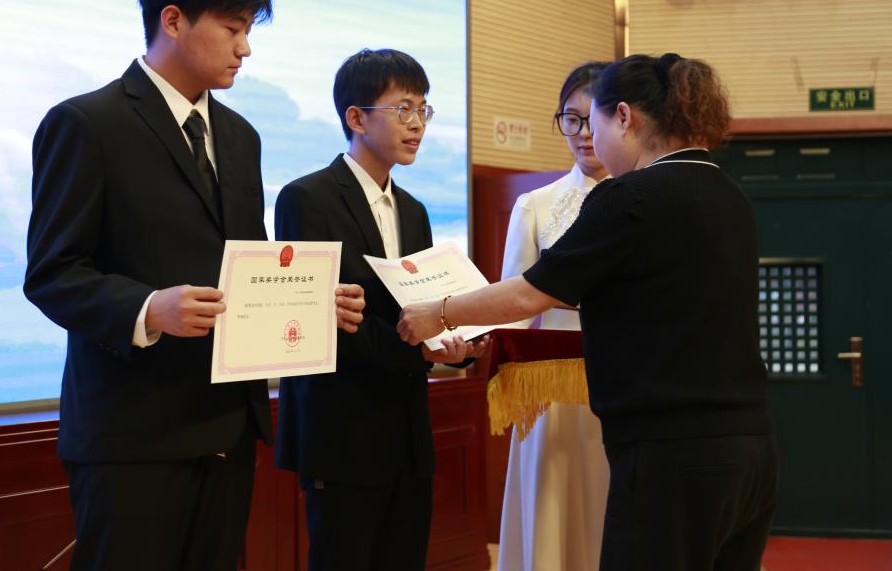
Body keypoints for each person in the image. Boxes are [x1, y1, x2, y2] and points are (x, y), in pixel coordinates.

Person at [24, 0, 364, 571]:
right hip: (131, 434)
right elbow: (53, 274)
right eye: (232, 28)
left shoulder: (240, 136)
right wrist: (149, 308)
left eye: (248, 30)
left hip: (227, 424)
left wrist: (313, 303)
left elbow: (246, 265)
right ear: (173, 20)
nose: (245, 47)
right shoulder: (89, 123)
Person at [398, 53, 778, 571]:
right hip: (751, 446)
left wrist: (438, 312)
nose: (589, 140)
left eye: (592, 124)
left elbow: (528, 295)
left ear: (623, 116)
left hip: (670, 451)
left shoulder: (630, 196)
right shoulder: (728, 193)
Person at [273, 48, 485, 571]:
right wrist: (422, 352)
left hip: (407, 435)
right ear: (356, 117)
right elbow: (325, 320)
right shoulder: (307, 198)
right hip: (341, 431)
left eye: (423, 109)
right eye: (403, 108)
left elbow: (422, 307)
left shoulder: (414, 210)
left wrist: (455, 345)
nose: (417, 124)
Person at [497, 61, 611, 571]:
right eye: (571, 119)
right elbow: (512, 308)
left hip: (627, 382)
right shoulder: (535, 205)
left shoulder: (647, 199)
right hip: (553, 393)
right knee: (553, 507)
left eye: (595, 118)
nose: (583, 133)